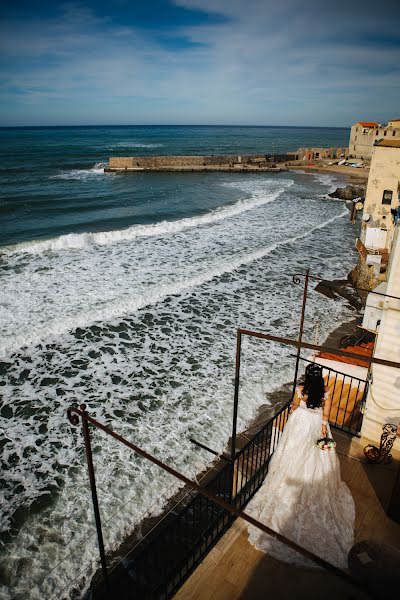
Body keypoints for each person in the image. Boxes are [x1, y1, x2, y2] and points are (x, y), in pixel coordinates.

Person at [246, 363, 355, 570]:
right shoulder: (325, 392)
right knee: (315, 459)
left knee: (291, 454)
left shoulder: (301, 389)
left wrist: (295, 410)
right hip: (315, 425)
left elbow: (295, 406)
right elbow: (326, 415)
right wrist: (323, 430)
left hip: (299, 423)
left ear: (307, 376)